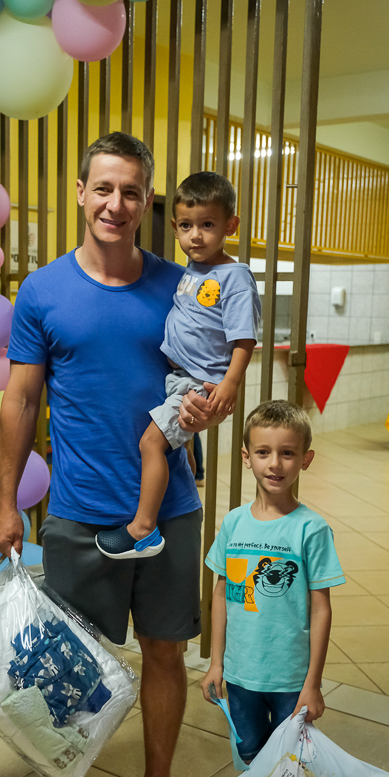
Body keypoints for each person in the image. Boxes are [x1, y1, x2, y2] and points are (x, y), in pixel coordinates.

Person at [0, 131, 207, 777]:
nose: (116, 203)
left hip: (169, 510)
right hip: (80, 512)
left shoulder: (181, 288)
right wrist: (6, 502)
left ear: (148, 202)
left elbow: (209, 379)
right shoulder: (43, 291)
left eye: (131, 191)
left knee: (166, 653)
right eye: (104, 188)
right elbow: (21, 401)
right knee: (68, 658)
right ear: (81, 192)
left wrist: (212, 407)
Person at [201, 399, 345, 777]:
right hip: (241, 676)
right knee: (254, 766)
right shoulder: (234, 523)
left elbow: (322, 608)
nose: (275, 463)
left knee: (293, 773)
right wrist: (216, 663)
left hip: (289, 680)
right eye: (263, 452)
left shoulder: (310, 530)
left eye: (287, 453)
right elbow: (222, 594)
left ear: (305, 459)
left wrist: (313, 683)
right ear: (246, 457)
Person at [95, 171, 260, 561]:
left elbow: (244, 338)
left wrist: (230, 383)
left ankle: (143, 530)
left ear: (231, 225)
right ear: (174, 228)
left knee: (150, 443)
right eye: (186, 226)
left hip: (199, 383)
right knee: (173, 448)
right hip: (178, 378)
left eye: (208, 225)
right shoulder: (192, 271)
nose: (196, 236)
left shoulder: (234, 277)